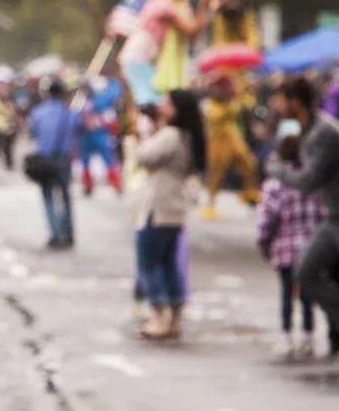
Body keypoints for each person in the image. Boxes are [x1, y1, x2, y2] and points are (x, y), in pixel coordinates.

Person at [272, 75, 339, 356]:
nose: (276, 105)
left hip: (335, 218)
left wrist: (278, 171)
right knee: (306, 271)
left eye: (281, 99)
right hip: (331, 215)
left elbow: (309, 180)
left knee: (309, 271)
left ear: (295, 102)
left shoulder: (323, 133)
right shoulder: (309, 130)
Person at [132, 89, 206, 340]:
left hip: (159, 207)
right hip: (175, 208)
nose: (161, 106)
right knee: (169, 264)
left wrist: (141, 136)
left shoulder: (171, 135)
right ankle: (174, 317)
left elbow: (144, 157)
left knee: (150, 262)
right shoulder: (187, 135)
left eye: (167, 102)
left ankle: (159, 317)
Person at [256, 121, 327, 357]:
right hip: (311, 248)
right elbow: (322, 214)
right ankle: (308, 334)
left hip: (285, 250)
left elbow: (267, 219)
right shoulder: (313, 183)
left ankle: (286, 334)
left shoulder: (275, 185)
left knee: (286, 294)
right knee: (307, 294)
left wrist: (264, 243)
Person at [201, 75, 260, 218]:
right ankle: (210, 205)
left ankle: (250, 192)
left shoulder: (233, 102)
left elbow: (246, 107)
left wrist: (244, 94)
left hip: (233, 138)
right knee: (216, 173)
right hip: (218, 142)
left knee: (249, 163)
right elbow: (214, 117)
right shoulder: (209, 105)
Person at [27, 80, 76, 249]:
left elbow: (33, 132)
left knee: (48, 197)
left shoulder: (38, 112)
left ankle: (55, 234)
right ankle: (67, 233)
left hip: (44, 159)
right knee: (65, 197)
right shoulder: (68, 112)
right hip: (63, 159)